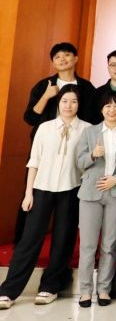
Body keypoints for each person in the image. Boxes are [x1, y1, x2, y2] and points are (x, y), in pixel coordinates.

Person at [0, 85, 89, 309]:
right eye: (65, 101)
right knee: (29, 239)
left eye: (74, 101)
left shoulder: (87, 129)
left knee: (63, 240)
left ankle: (50, 287)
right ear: (58, 103)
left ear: (79, 105)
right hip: (42, 188)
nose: (69, 105)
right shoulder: (45, 127)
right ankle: (9, 291)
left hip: (72, 189)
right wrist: (28, 193)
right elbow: (34, 161)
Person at [15, 42, 95, 244]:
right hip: (46, 150)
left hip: (76, 152)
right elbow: (30, 118)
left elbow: (93, 120)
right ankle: (22, 242)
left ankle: (62, 252)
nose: (62, 59)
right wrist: (46, 96)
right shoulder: (44, 85)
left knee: (70, 203)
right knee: (32, 196)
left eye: (66, 55)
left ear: (75, 59)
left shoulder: (87, 88)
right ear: (53, 62)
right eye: (57, 57)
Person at [75, 91, 116, 308]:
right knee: (88, 245)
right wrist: (92, 155)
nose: (112, 109)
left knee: (109, 244)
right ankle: (85, 291)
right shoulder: (90, 132)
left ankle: (104, 289)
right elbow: (79, 161)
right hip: (91, 193)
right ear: (101, 109)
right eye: (107, 106)